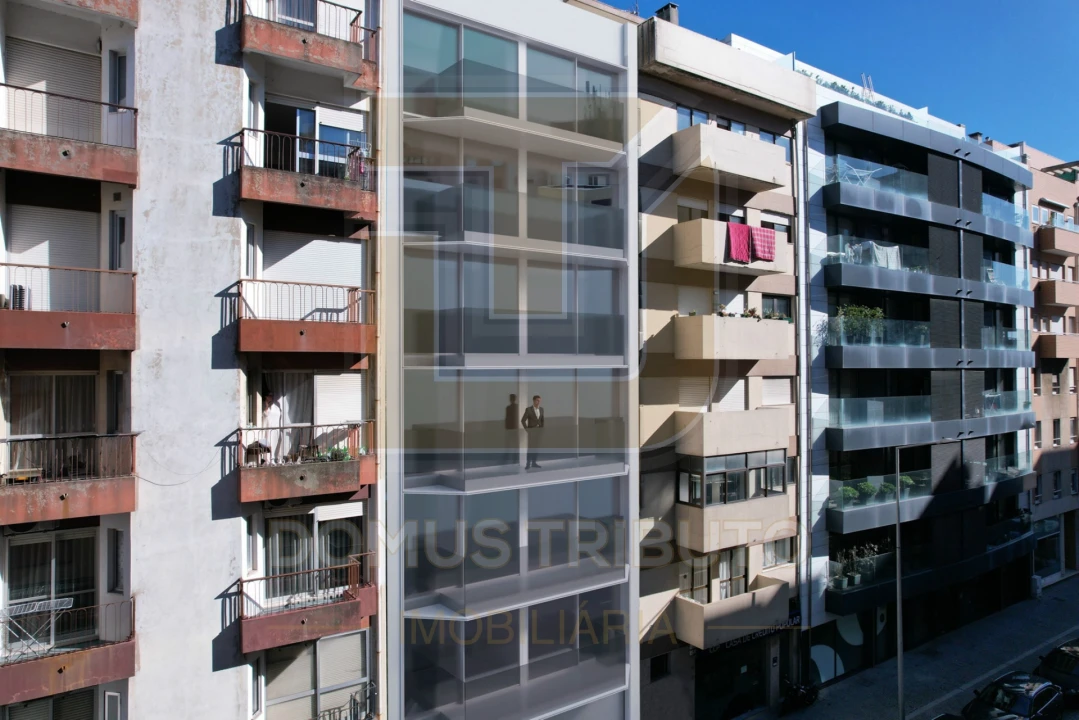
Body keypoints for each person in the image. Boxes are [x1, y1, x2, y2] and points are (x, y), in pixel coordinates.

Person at [521, 395, 544, 469]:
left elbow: (542, 420)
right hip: (531, 431)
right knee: (530, 448)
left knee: (536, 448)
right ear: (534, 401)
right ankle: (528, 464)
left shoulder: (541, 409)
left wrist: (542, 428)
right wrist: (527, 430)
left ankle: (534, 463)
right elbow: (523, 420)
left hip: (538, 432)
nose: (538, 402)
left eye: (539, 401)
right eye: (537, 400)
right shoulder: (528, 410)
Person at [262, 392, 283, 464]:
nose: (270, 397)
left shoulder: (276, 407)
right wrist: (266, 405)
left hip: (276, 428)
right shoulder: (263, 405)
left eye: (271, 396)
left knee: (276, 443)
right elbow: (265, 414)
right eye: (269, 396)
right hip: (267, 428)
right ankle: (268, 460)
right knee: (268, 443)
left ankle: (276, 458)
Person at [504, 394, 520, 467]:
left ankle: (508, 457)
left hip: (511, 428)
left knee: (509, 444)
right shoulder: (517, 407)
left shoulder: (508, 408)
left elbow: (507, 418)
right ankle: (515, 458)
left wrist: (506, 428)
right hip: (515, 428)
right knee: (515, 444)